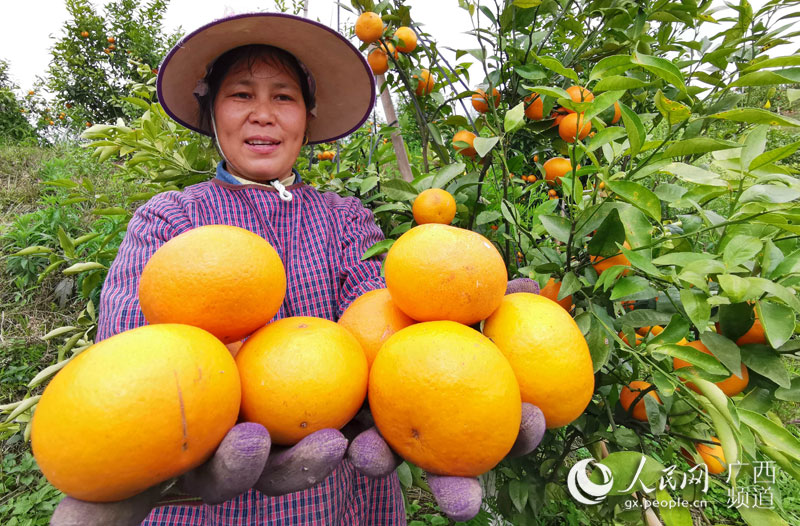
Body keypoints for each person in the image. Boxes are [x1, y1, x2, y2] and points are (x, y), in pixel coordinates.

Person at [49, 12, 545, 526]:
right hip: (203, 464)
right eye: (241, 95)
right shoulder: (171, 217)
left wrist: (452, 335)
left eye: (283, 97)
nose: (262, 114)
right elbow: (130, 349)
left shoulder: (345, 218)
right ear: (212, 113)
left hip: (336, 483)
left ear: (307, 116)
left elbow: (380, 322)